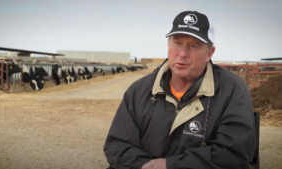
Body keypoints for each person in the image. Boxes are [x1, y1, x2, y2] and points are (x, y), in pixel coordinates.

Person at [103, 11, 256, 169]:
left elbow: (235, 154)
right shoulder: (139, 90)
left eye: (193, 45)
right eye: (177, 43)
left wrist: (170, 166)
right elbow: (117, 145)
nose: (182, 54)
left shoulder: (231, 90)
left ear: (209, 53)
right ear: (168, 44)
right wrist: (144, 166)